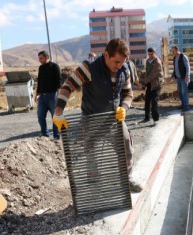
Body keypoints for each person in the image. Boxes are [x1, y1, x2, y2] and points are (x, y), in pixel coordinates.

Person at [52, 38, 142, 193]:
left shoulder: (125, 69)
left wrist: (124, 108)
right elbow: (67, 87)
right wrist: (58, 112)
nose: (119, 66)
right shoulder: (89, 67)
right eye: (116, 62)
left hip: (113, 118)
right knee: (91, 153)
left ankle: (127, 178)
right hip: (91, 119)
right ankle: (94, 184)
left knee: (126, 145)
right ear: (106, 55)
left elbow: (128, 93)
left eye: (122, 62)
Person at [35, 50, 62, 140]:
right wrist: (37, 94)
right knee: (40, 115)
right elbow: (39, 82)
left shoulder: (55, 67)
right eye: (39, 58)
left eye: (41, 58)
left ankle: (56, 137)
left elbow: (59, 82)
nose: (40, 60)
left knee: (55, 117)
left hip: (52, 96)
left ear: (47, 57)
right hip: (42, 96)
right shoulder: (41, 68)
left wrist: (59, 95)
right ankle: (45, 135)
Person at [139, 47, 164, 123]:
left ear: (154, 53)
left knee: (154, 102)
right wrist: (143, 82)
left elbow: (152, 75)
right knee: (147, 101)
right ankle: (147, 118)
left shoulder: (157, 62)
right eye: (149, 54)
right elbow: (147, 73)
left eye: (151, 54)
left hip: (157, 84)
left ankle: (156, 119)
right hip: (150, 84)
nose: (150, 55)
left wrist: (143, 82)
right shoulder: (147, 61)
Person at [171, 45, 190, 111]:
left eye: (173, 51)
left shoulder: (183, 57)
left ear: (177, 50)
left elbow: (188, 67)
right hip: (178, 78)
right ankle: (183, 105)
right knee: (180, 92)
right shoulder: (174, 58)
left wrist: (187, 76)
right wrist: (173, 75)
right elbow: (175, 68)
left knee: (184, 92)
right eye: (172, 51)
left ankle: (186, 107)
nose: (172, 52)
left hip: (184, 78)